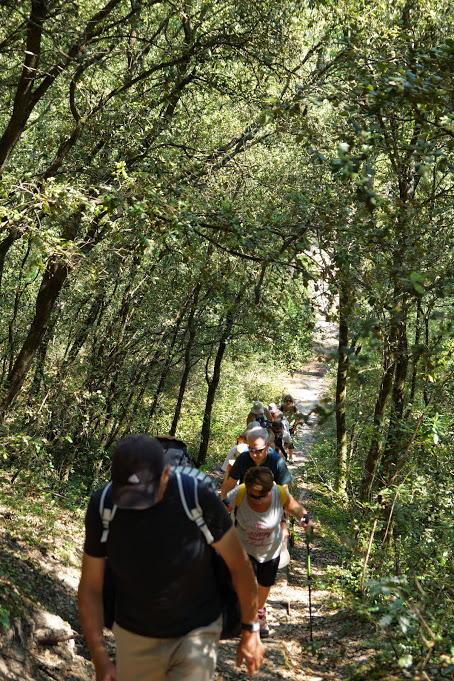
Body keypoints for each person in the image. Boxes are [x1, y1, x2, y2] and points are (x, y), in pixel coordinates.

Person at [78, 434, 265, 681]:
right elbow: (90, 585)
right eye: (130, 497)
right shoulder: (104, 505)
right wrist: (99, 657)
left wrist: (250, 629)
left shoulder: (195, 497)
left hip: (197, 630)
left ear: (166, 475)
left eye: (146, 495)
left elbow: (239, 565)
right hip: (133, 632)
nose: (139, 507)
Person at [223, 467, 312, 638]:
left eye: (262, 496)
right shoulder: (239, 493)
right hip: (243, 547)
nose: (257, 499)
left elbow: (297, 510)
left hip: (270, 549)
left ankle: (259, 612)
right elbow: (223, 508)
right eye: (253, 495)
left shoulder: (279, 494)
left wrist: (304, 520)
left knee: (264, 584)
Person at [222, 428, 293, 496]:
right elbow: (229, 486)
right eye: (251, 449)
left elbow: (284, 492)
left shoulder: (277, 462)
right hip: (246, 500)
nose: (254, 454)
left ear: (267, 446)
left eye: (259, 450)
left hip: (270, 501)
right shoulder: (243, 458)